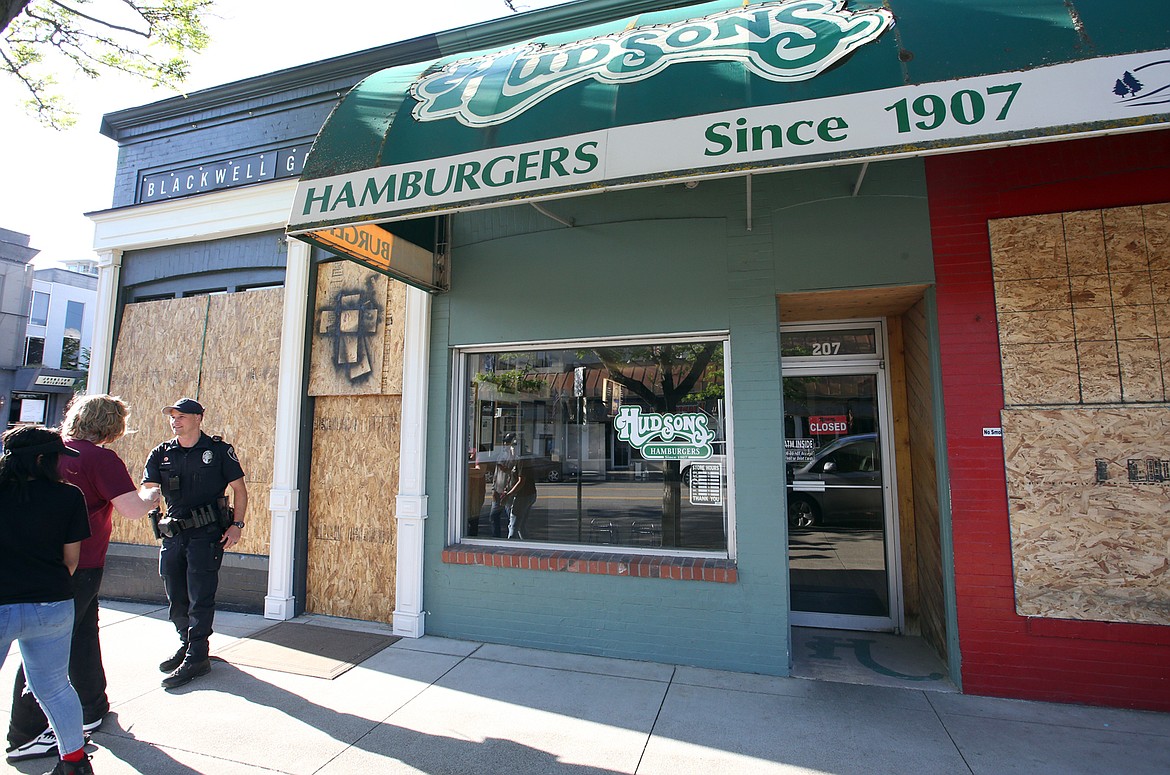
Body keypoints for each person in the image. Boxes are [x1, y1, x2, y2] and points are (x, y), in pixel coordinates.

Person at [7, 396, 161, 763]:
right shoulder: (99, 458)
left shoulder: (49, 454)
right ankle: (26, 734)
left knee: (83, 635)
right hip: (80, 564)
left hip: (44, 562)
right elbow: (131, 508)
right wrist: (152, 495)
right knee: (44, 650)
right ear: (111, 425)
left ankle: (92, 706)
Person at [0, 425, 95, 775]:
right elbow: (71, 561)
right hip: (52, 603)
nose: (62, 466)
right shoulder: (69, 497)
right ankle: (74, 763)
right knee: (55, 687)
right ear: (41, 459)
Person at [142, 397, 247, 689]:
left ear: (198, 418)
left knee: (201, 595)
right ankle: (186, 642)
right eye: (172, 417)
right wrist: (148, 500)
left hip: (207, 533)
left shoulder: (217, 451)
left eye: (182, 416)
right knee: (175, 593)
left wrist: (237, 525)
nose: (175, 421)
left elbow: (240, 489)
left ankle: (198, 654)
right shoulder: (162, 453)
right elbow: (149, 487)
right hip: (174, 535)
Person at [503, 435, 537, 540]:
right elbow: (512, 475)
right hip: (522, 494)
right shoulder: (515, 459)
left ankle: (510, 546)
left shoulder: (523, 460)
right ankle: (526, 545)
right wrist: (507, 488)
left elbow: (521, 481)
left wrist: (509, 495)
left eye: (513, 447)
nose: (511, 449)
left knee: (513, 525)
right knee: (520, 526)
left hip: (523, 495)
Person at [487, 433, 517, 538]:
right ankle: (497, 538)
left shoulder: (516, 456)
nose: (506, 444)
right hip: (498, 489)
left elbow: (514, 471)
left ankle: (513, 539)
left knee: (511, 518)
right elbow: (496, 473)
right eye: (505, 442)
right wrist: (493, 489)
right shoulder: (502, 455)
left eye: (508, 442)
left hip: (509, 491)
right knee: (494, 516)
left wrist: (513, 454)